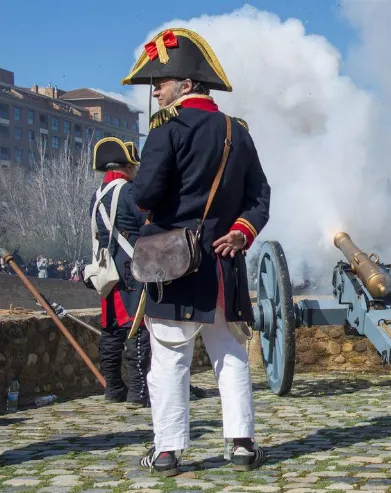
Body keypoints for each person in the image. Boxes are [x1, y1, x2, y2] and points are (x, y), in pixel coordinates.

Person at [122, 27, 271, 476]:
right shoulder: (236, 133)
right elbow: (259, 196)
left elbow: (145, 195)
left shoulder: (167, 130)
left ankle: (167, 451)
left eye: (161, 83)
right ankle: (242, 444)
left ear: (187, 85)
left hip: (172, 263)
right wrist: (242, 232)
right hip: (224, 266)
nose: (156, 91)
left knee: (169, 359)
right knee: (230, 355)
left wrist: (134, 197)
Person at [89, 138, 151, 407]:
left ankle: (114, 388)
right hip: (130, 271)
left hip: (108, 270)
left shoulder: (98, 194)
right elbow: (147, 224)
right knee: (137, 330)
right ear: (127, 166)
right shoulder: (129, 192)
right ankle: (138, 392)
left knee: (111, 330)